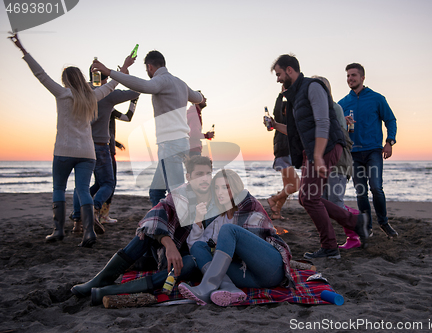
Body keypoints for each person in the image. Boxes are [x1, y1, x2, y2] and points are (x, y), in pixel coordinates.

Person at [8, 33, 133, 248]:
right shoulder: (92, 97)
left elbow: (40, 74)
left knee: (59, 188)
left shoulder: (61, 93)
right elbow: (111, 85)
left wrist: (23, 50)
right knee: (83, 190)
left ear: (66, 80)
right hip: (87, 153)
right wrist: (124, 68)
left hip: (64, 151)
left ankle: (58, 230)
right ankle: (88, 233)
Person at [71, 156, 220, 305]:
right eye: (199, 174)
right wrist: (169, 245)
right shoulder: (180, 194)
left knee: (190, 263)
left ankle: (110, 290)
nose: (204, 179)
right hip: (171, 251)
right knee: (147, 232)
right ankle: (102, 280)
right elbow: (155, 214)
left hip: (196, 258)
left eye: (208, 174)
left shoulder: (217, 198)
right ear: (188, 177)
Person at [269, 54, 369, 260]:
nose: (278, 79)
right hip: (314, 151)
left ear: (290, 70)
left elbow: (323, 122)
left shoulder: (312, 87)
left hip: (325, 148)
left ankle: (331, 246)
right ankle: (354, 223)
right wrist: (275, 125)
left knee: (309, 198)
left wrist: (317, 155)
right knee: (308, 198)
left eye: (279, 74)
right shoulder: (296, 97)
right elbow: (296, 130)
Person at [92, 51, 203, 207]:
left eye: (146, 70)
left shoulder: (162, 80)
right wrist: (194, 94)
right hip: (179, 144)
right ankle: (162, 225)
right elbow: (198, 98)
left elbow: (144, 86)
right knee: (156, 193)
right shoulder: (180, 83)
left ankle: (185, 229)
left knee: (177, 193)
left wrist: (110, 72)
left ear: (150, 67)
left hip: (170, 145)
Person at [178, 169, 294, 306]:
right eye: (216, 188)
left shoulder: (249, 206)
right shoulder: (218, 218)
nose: (220, 192)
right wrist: (198, 220)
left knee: (228, 231)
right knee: (199, 247)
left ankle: (206, 287)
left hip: (270, 269)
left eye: (225, 187)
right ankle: (229, 288)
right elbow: (195, 247)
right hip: (248, 276)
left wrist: (224, 245)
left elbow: (258, 241)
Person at [71, 69, 140, 233]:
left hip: (81, 145)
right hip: (102, 147)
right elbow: (136, 90)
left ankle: (77, 222)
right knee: (108, 183)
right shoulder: (107, 96)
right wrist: (123, 76)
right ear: (107, 78)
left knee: (83, 185)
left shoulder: (81, 93)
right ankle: (96, 211)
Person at [338, 63, 398, 238]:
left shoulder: (377, 98)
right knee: (361, 191)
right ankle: (367, 227)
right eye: (348, 76)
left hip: (373, 151)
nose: (350, 79)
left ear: (363, 77)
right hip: (353, 154)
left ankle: (384, 222)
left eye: (354, 75)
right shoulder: (342, 103)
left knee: (376, 188)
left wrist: (390, 141)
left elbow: (391, 120)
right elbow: (336, 128)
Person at [312, 76, 361, 250]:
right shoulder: (318, 110)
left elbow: (341, 140)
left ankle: (355, 234)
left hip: (338, 163)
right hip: (325, 164)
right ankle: (356, 218)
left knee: (335, 202)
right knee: (324, 202)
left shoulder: (334, 108)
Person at [265, 89, 300, 220]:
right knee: (296, 185)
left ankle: (276, 213)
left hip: (288, 156)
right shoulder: (281, 120)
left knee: (287, 187)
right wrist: (281, 94)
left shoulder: (292, 124)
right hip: (282, 155)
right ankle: (273, 199)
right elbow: (276, 110)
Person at [187, 92, 214, 157]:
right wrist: (207, 135)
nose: (205, 99)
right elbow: (193, 133)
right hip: (193, 150)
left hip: (189, 149)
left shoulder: (191, 113)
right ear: (197, 100)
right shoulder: (194, 115)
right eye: (203, 97)